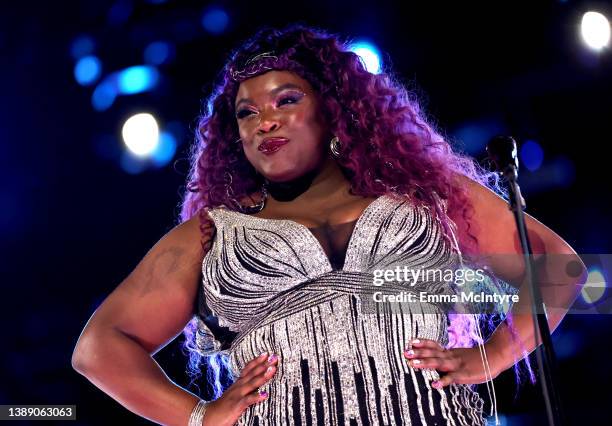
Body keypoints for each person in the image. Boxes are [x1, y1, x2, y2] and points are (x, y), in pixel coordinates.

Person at [72, 24, 585, 426]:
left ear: (334, 111)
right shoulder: (216, 234)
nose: (263, 122)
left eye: (286, 101)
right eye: (246, 113)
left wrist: (490, 357)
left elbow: (559, 269)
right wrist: (199, 415)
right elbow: (99, 347)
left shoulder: (423, 198)